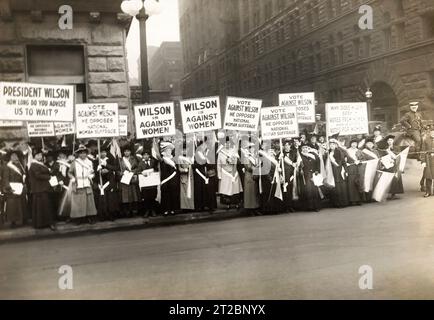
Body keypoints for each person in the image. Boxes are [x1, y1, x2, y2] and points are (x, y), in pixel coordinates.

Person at [68, 145, 97, 225]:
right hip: (78, 184)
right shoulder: (74, 162)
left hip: (87, 183)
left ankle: (89, 217)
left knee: (89, 201)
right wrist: (73, 178)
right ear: (78, 154)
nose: (83, 155)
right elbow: (69, 173)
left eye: (84, 153)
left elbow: (92, 173)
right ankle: (79, 218)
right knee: (78, 202)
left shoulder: (90, 162)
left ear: (86, 154)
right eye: (81, 153)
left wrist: (91, 176)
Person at [28, 149, 56, 230]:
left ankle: (43, 223)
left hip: (42, 187)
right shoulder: (34, 165)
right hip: (39, 188)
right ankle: (44, 223)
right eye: (38, 155)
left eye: (40, 155)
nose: (40, 156)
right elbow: (38, 175)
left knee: (44, 206)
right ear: (34, 156)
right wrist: (49, 176)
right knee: (43, 206)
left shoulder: (39, 164)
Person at [3, 150, 27, 228]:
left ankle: (23, 219)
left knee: (22, 203)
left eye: (16, 156)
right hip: (12, 187)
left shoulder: (20, 165)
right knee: (12, 206)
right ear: (10, 157)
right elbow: (6, 178)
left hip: (20, 186)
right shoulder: (7, 166)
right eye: (13, 156)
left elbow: (23, 174)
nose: (15, 157)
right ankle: (13, 221)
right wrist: (8, 187)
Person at [217, 137, 243, 210]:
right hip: (225, 173)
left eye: (228, 143)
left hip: (233, 172)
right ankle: (227, 204)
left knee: (235, 189)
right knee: (227, 189)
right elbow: (218, 165)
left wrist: (232, 161)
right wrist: (219, 175)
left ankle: (236, 203)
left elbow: (238, 162)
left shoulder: (233, 151)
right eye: (225, 143)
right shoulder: (220, 153)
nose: (227, 144)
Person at [95, 147, 120, 221]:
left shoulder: (110, 159)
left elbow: (116, 168)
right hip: (101, 182)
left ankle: (111, 215)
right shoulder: (96, 161)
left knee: (110, 199)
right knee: (102, 199)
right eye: (101, 152)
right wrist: (98, 170)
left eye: (104, 152)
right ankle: (102, 215)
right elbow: (93, 172)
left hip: (109, 181)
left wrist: (107, 166)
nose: (103, 153)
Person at [194, 140, 218, 213]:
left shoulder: (210, 153)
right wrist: (202, 163)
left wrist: (207, 163)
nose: (203, 147)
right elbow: (194, 165)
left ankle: (211, 207)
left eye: (205, 145)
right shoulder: (197, 154)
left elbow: (213, 164)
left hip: (209, 175)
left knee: (210, 191)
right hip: (200, 175)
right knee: (201, 191)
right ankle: (201, 206)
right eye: (202, 146)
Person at [325, 138, 349, 208]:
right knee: (333, 187)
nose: (332, 145)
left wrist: (346, 171)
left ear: (336, 145)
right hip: (331, 172)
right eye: (330, 144)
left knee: (339, 187)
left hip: (338, 171)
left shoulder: (339, 152)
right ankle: (335, 203)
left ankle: (342, 203)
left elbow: (343, 162)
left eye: (333, 144)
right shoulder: (328, 152)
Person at [299, 143, 322, 212]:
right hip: (305, 175)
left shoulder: (313, 154)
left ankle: (316, 206)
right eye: (303, 148)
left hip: (314, 174)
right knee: (308, 190)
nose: (305, 149)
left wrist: (317, 170)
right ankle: (309, 207)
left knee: (315, 190)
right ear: (301, 149)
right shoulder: (300, 156)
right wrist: (300, 169)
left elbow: (318, 163)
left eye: (306, 147)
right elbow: (298, 165)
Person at [137, 148, 159, 217]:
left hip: (152, 183)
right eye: (144, 155)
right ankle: (147, 211)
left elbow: (157, 169)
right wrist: (142, 172)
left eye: (147, 155)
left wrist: (154, 171)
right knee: (146, 198)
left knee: (153, 197)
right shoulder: (140, 163)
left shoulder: (153, 161)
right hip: (145, 184)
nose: (146, 156)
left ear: (149, 155)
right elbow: (137, 171)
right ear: (142, 156)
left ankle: (153, 210)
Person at [119, 145, 140, 217]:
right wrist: (121, 173)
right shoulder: (121, 160)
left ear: (130, 152)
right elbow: (118, 170)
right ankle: (126, 211)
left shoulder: (134, 159)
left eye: (128, 151)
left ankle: (133, 211)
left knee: (133, 195)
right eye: (125, 151)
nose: (126, 152)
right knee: (125, 196)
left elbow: (138, 168)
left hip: (132, 179)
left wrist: (133, 172)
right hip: (125, 179)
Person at [160, 141, 179, 216]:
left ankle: (172, 209)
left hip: (173, 180)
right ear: (164, 151)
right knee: (165, 196)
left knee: (173, 195)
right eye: (167, 150)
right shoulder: (162, 160)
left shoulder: (174, 159)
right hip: (165, 180)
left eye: (170, 150)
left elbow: (176, 170)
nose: (169, 151)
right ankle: (166, 210)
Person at [241, 142, 260, 215]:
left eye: (253, 147)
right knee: (250, 194)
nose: (252, 149)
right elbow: (248, 167)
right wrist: (256, 168)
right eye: (250, 148)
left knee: (255, 193)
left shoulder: (255, 156)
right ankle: (250, 209)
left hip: (255, 176)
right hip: (249, 176)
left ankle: (255, 208)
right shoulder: (246, 157)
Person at [343, 139, 363, 206]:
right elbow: (344, 160)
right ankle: (352, 200)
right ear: (350, 144)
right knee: (351, 184)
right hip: (350, 168)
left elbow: (362, 159)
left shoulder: (359, 151)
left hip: (358, 168)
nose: (354, 144)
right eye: (353, 143)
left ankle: (358, 200)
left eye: (355, 143)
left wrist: (359, 161)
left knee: (358, 183)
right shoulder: (347, 151)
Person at [177, 145, 195, 212]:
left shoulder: (190, 158)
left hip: (190, 177)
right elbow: (179, 168)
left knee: (190, 192)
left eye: (185, 149)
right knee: (184, 192)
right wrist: (184, 170)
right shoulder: (179, 158)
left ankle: (190, 206)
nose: (184, 151)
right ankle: (185, 208)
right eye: (183, 150)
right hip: (184, 177)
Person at [281, 140, 297, 213]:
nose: (287, 146)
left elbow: (295, 163)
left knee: (290, 190)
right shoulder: (281, 154)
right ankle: (285, 207)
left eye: (288, 145)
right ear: (283, 146)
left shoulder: (293, 153)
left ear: (290, 146)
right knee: (285, 191)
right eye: (285, 145)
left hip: (291, 174)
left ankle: (291, 206)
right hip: (284, 175)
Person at [421, 128, 434, 197]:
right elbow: (422, 151)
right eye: (432, 132)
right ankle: (428, 192)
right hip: (428, 159)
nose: (433, 133)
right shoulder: (426, 140)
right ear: (429, 132)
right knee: (428, 176)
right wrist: (423, 161)